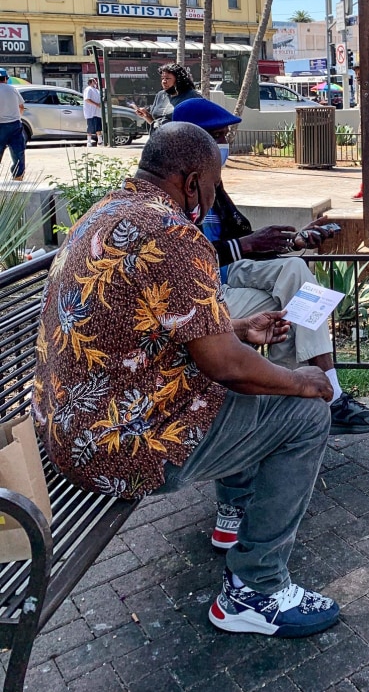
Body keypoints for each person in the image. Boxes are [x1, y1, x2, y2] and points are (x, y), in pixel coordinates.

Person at [32, 123, 340, 638]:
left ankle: (237, 519)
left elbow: (145, 324)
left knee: (250, 393)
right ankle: (256, 589)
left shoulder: (109, 212)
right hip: (119, 448)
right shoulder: (174, 235)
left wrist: (235, 328)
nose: (215, 197)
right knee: (302, 414)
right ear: (192, 180)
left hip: (71, 433)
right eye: (215, 186)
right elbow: (228, 368)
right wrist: (304, 380)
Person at [172, 98, 369, 471]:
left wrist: (290, 243)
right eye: (219, 137)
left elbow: (238, 246)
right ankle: (312, 400)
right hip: (201, 297)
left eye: (226, 136)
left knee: (294, 273)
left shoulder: (213, 185)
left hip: (228, 275)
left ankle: (329, 393)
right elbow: (182, 259)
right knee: (293, 304)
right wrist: (242, 245)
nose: (226, 145)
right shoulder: (172, 193)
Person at [133, 63, 200, 131]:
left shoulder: (192, 96)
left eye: (167, 78)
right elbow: (156, 123)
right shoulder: (160, 95)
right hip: (158, 139)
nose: (164, 81)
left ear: (178, 80)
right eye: (162, 78)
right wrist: (146, 116)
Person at [0, 68, 26, 180]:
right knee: (18, 152)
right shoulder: (13, 89)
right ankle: (18, 176)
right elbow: (21, 106)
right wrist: (18, 117)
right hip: (15, 124)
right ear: (6, 78)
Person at [82, 76, 103, 147]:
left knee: (98, 127)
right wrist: (96, 104)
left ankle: (100, 141)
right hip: (90, 112)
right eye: (94, 81)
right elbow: (87, 99)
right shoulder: (88, 89)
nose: (96, 82)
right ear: (91, 82)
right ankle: (89, 141)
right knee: (90, 127)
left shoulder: (97, 90)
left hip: (97, 112)